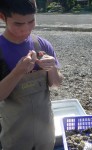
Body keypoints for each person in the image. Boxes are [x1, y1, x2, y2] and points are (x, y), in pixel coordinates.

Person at [0, 0, 63, 150]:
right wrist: (18, 72)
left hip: (45, 133)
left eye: (31, 21)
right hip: (15, 136)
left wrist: (52, 68)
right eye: (18, 24)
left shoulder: (42, 45)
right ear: (2, 17)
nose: (26, 29)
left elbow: (56, 84)